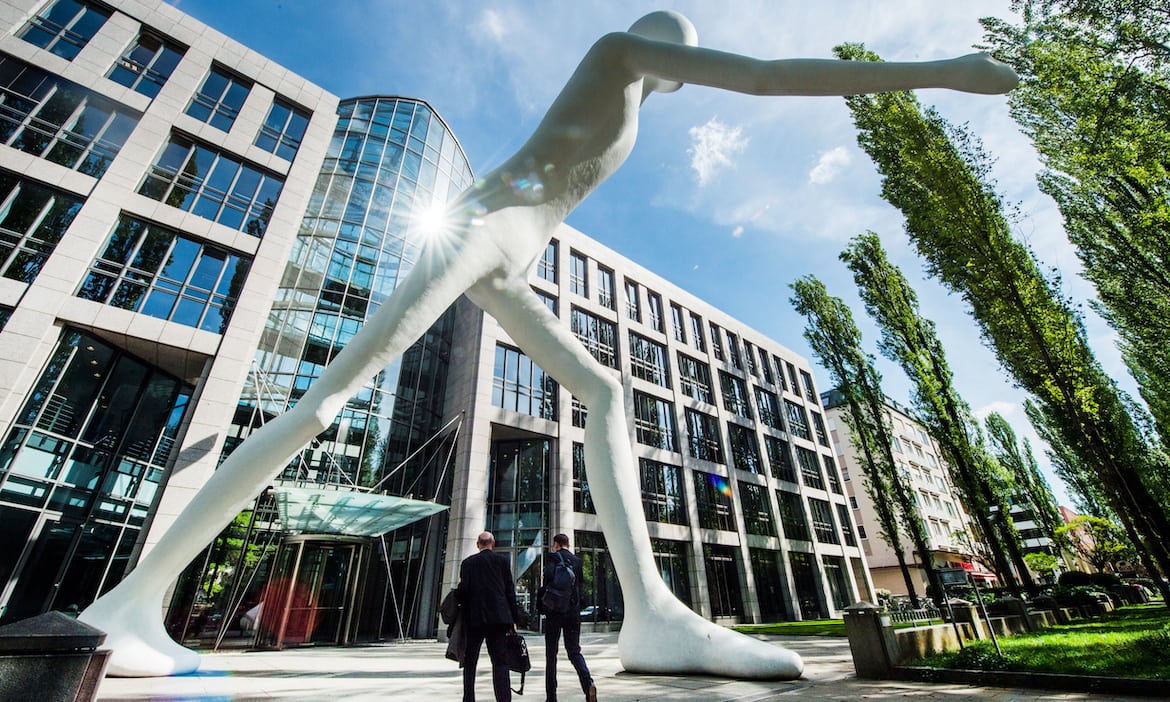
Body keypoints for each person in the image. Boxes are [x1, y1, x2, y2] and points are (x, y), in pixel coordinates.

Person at [79, 9, 1016, 678]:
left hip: (509, 261)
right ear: (667, 44)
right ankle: (129, 603)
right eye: (683, 48)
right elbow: (767, 76)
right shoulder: (618, 52)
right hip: (476, 231)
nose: (686, 66)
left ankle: (653, 618)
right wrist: (934, 72)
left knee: (605, 390)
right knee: (327, 399)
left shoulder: (634, 97)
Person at [457, 531, 521, 702]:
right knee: (500, 662)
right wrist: (514, 619)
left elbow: (463, 591)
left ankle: (468, 698)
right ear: (493, 544)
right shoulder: (502, 561)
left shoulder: (467, 563)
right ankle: (504, 699)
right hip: (498, 619)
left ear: (478, 544)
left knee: (470, 662)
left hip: (474, 619)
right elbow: (509, 591)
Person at [538, 534, 595, 702]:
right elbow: (580, 587)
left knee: (551, 654)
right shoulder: (577, 561)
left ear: (556, 544)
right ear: (568, 544)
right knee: (574, 651)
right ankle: (588, 683)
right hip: (572, 613)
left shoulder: (552, 558)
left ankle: (551, 697)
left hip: (554, 612)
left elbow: (547, 582)